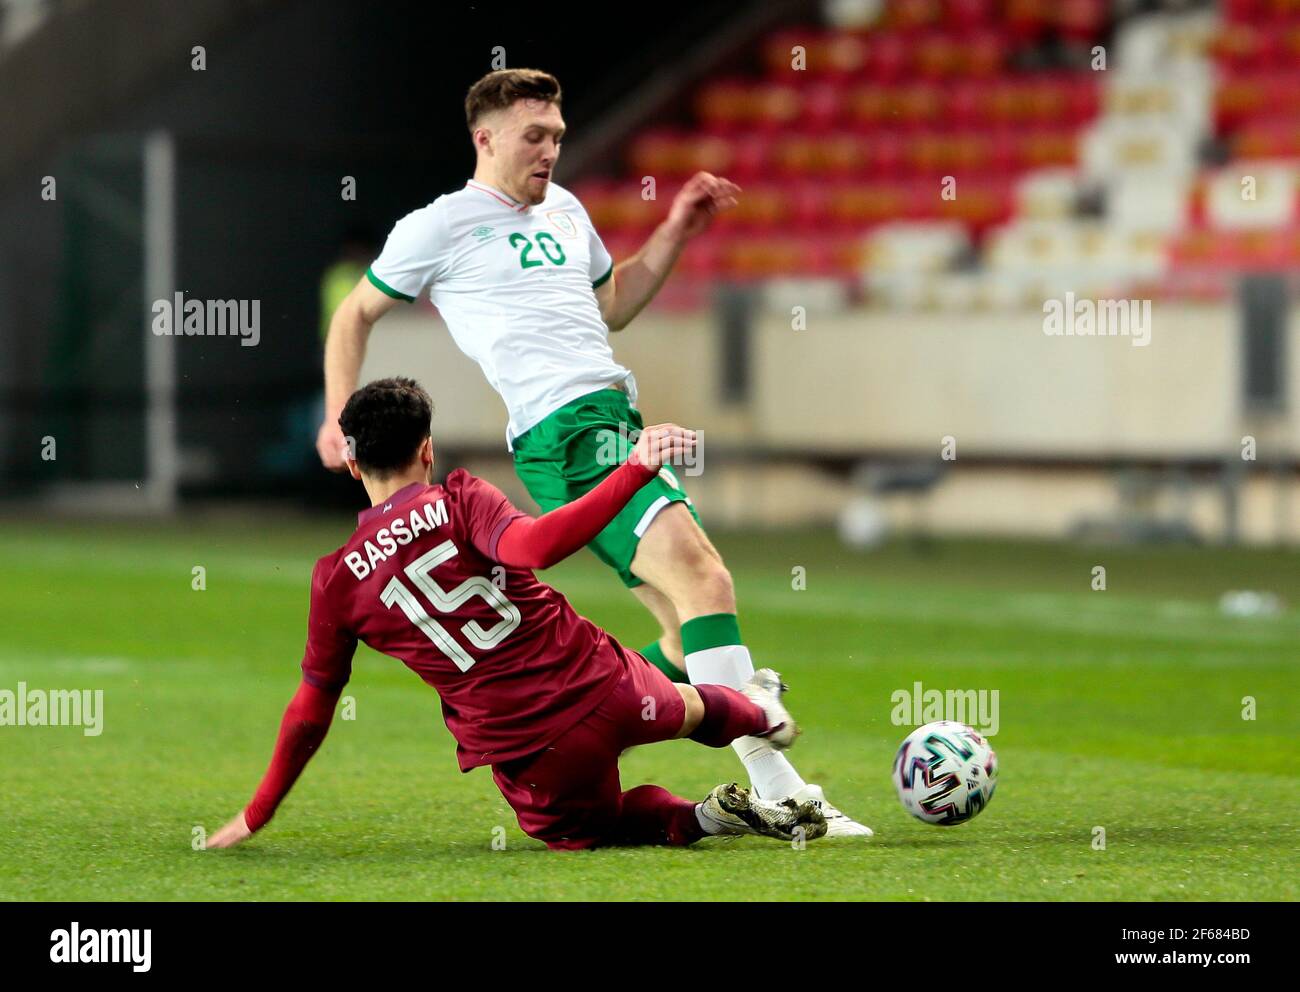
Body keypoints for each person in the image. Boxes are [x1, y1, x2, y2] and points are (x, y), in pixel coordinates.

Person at [313, 68, 869, 836]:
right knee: (705, 576)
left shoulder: (567, 209)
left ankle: (580, 708)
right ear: (486, 139)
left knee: (682, 631)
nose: (550, 152)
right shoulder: (438, 226)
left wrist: (675, 228)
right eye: (534, 137)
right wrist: (338, 418)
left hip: (610, 416)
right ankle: (789, 790)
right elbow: (354, 314)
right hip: (568, 431)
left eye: (558, 138)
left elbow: (614, 305)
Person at [209, 378, 827, 851]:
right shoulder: (461, 498)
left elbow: (310, 710)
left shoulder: (336, 580)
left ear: (352, 463)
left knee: (589, 832)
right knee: (691, 706)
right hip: (608, 685)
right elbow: (537, 547)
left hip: (532, 749)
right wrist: (635, 468)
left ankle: (706, 816)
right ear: (427, 450)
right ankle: (756, 710)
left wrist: (257, 811)